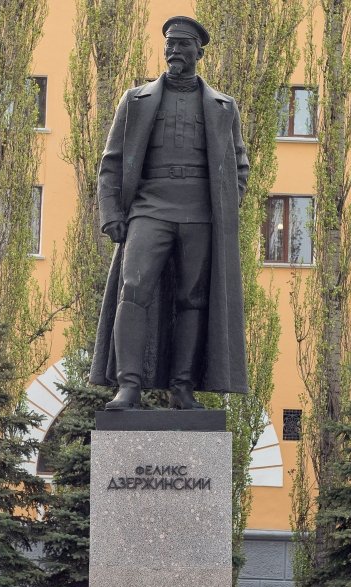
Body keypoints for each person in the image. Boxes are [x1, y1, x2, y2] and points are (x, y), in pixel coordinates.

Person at [89, 15, 249, 411]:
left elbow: (239, 165)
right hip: (150, 208)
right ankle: (128, 385)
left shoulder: (223, 106)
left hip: (200, 214)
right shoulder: (136, 99)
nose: (174, 52)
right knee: (134, 287)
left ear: (199, 51)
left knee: (192, 299)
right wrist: (111, 213)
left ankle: (182, 387)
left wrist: (227, 204)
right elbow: (111, 162)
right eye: (169, 45)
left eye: (182, 45)